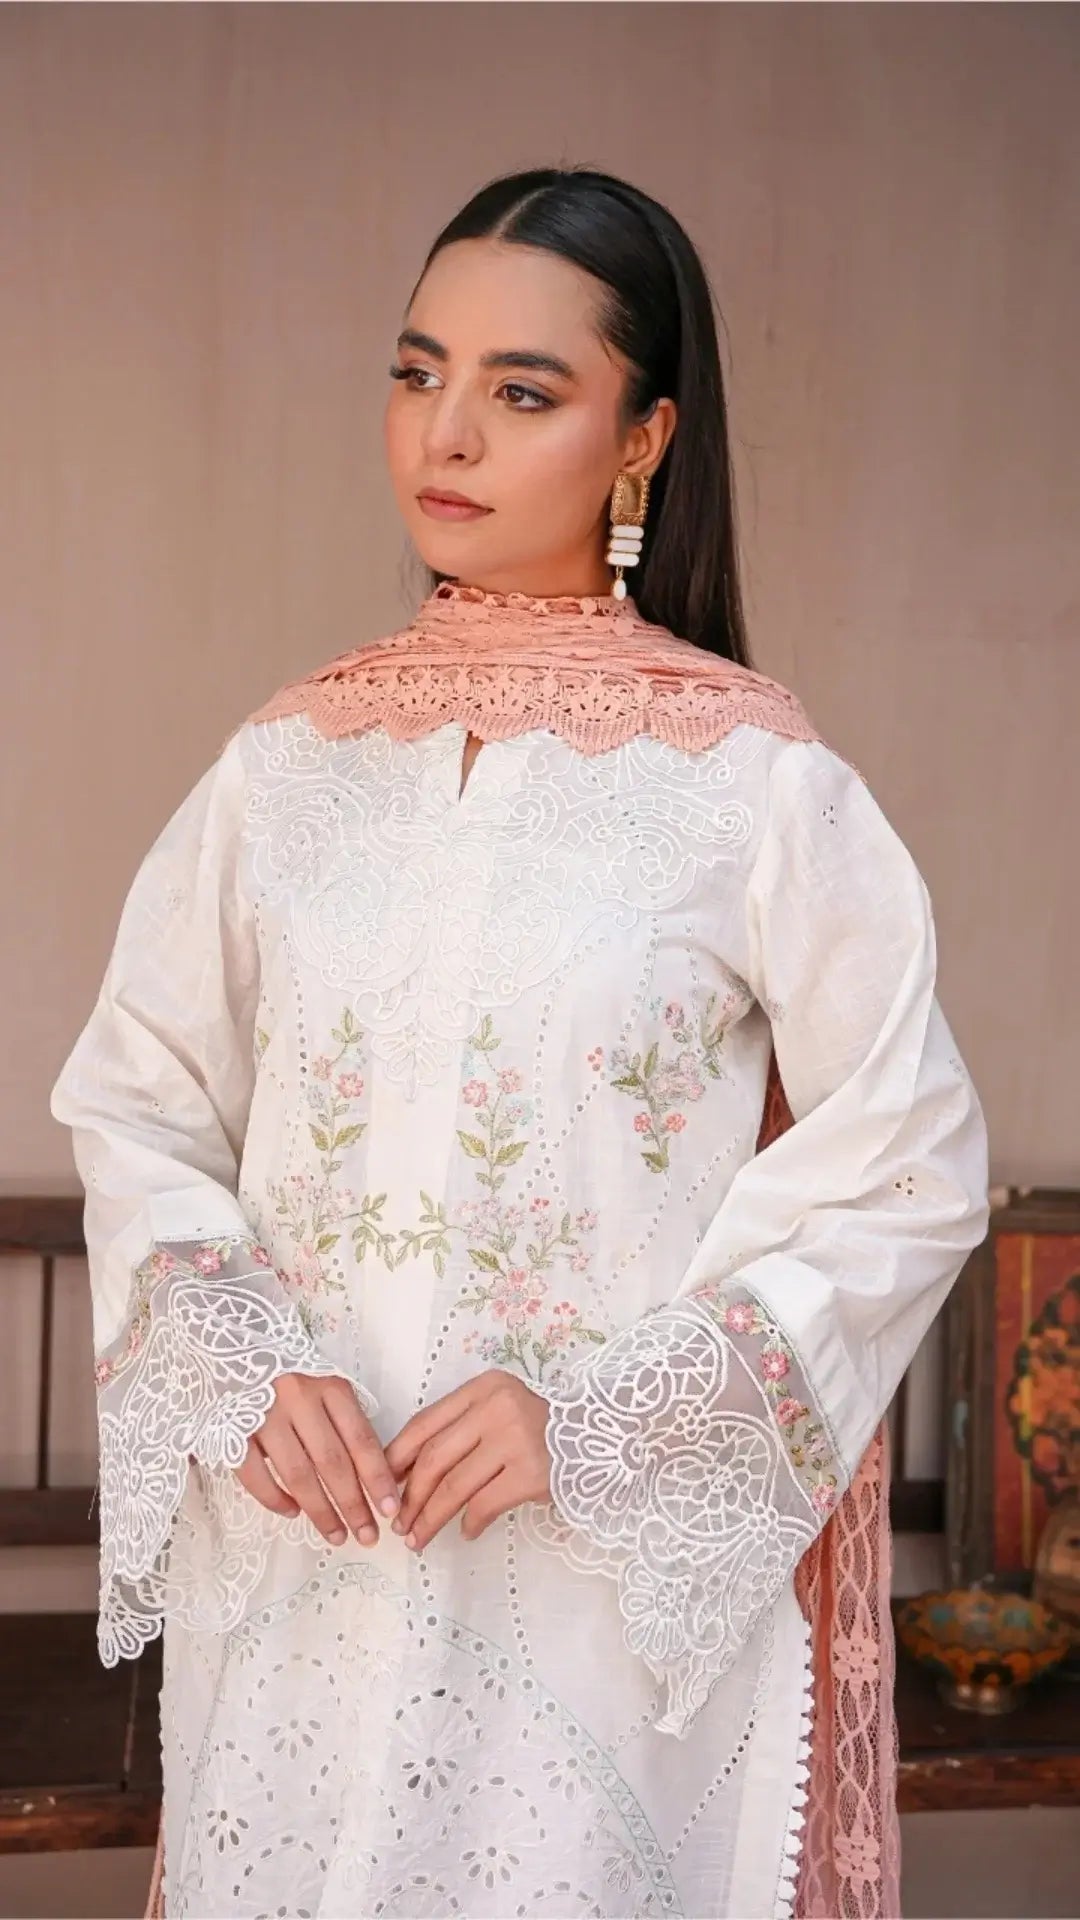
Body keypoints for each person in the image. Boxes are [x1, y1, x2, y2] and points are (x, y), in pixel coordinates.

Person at [50, 166, 989, 1920]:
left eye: (524, 389)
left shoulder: (758, 786)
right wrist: (240, 1365)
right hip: (304, 1567)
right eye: (418, 373)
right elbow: (135, 1100)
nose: (446, 433)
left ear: (644, 441)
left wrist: (608, 1424)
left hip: (588, 1597)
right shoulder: (287, 767)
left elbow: (909, 1162)